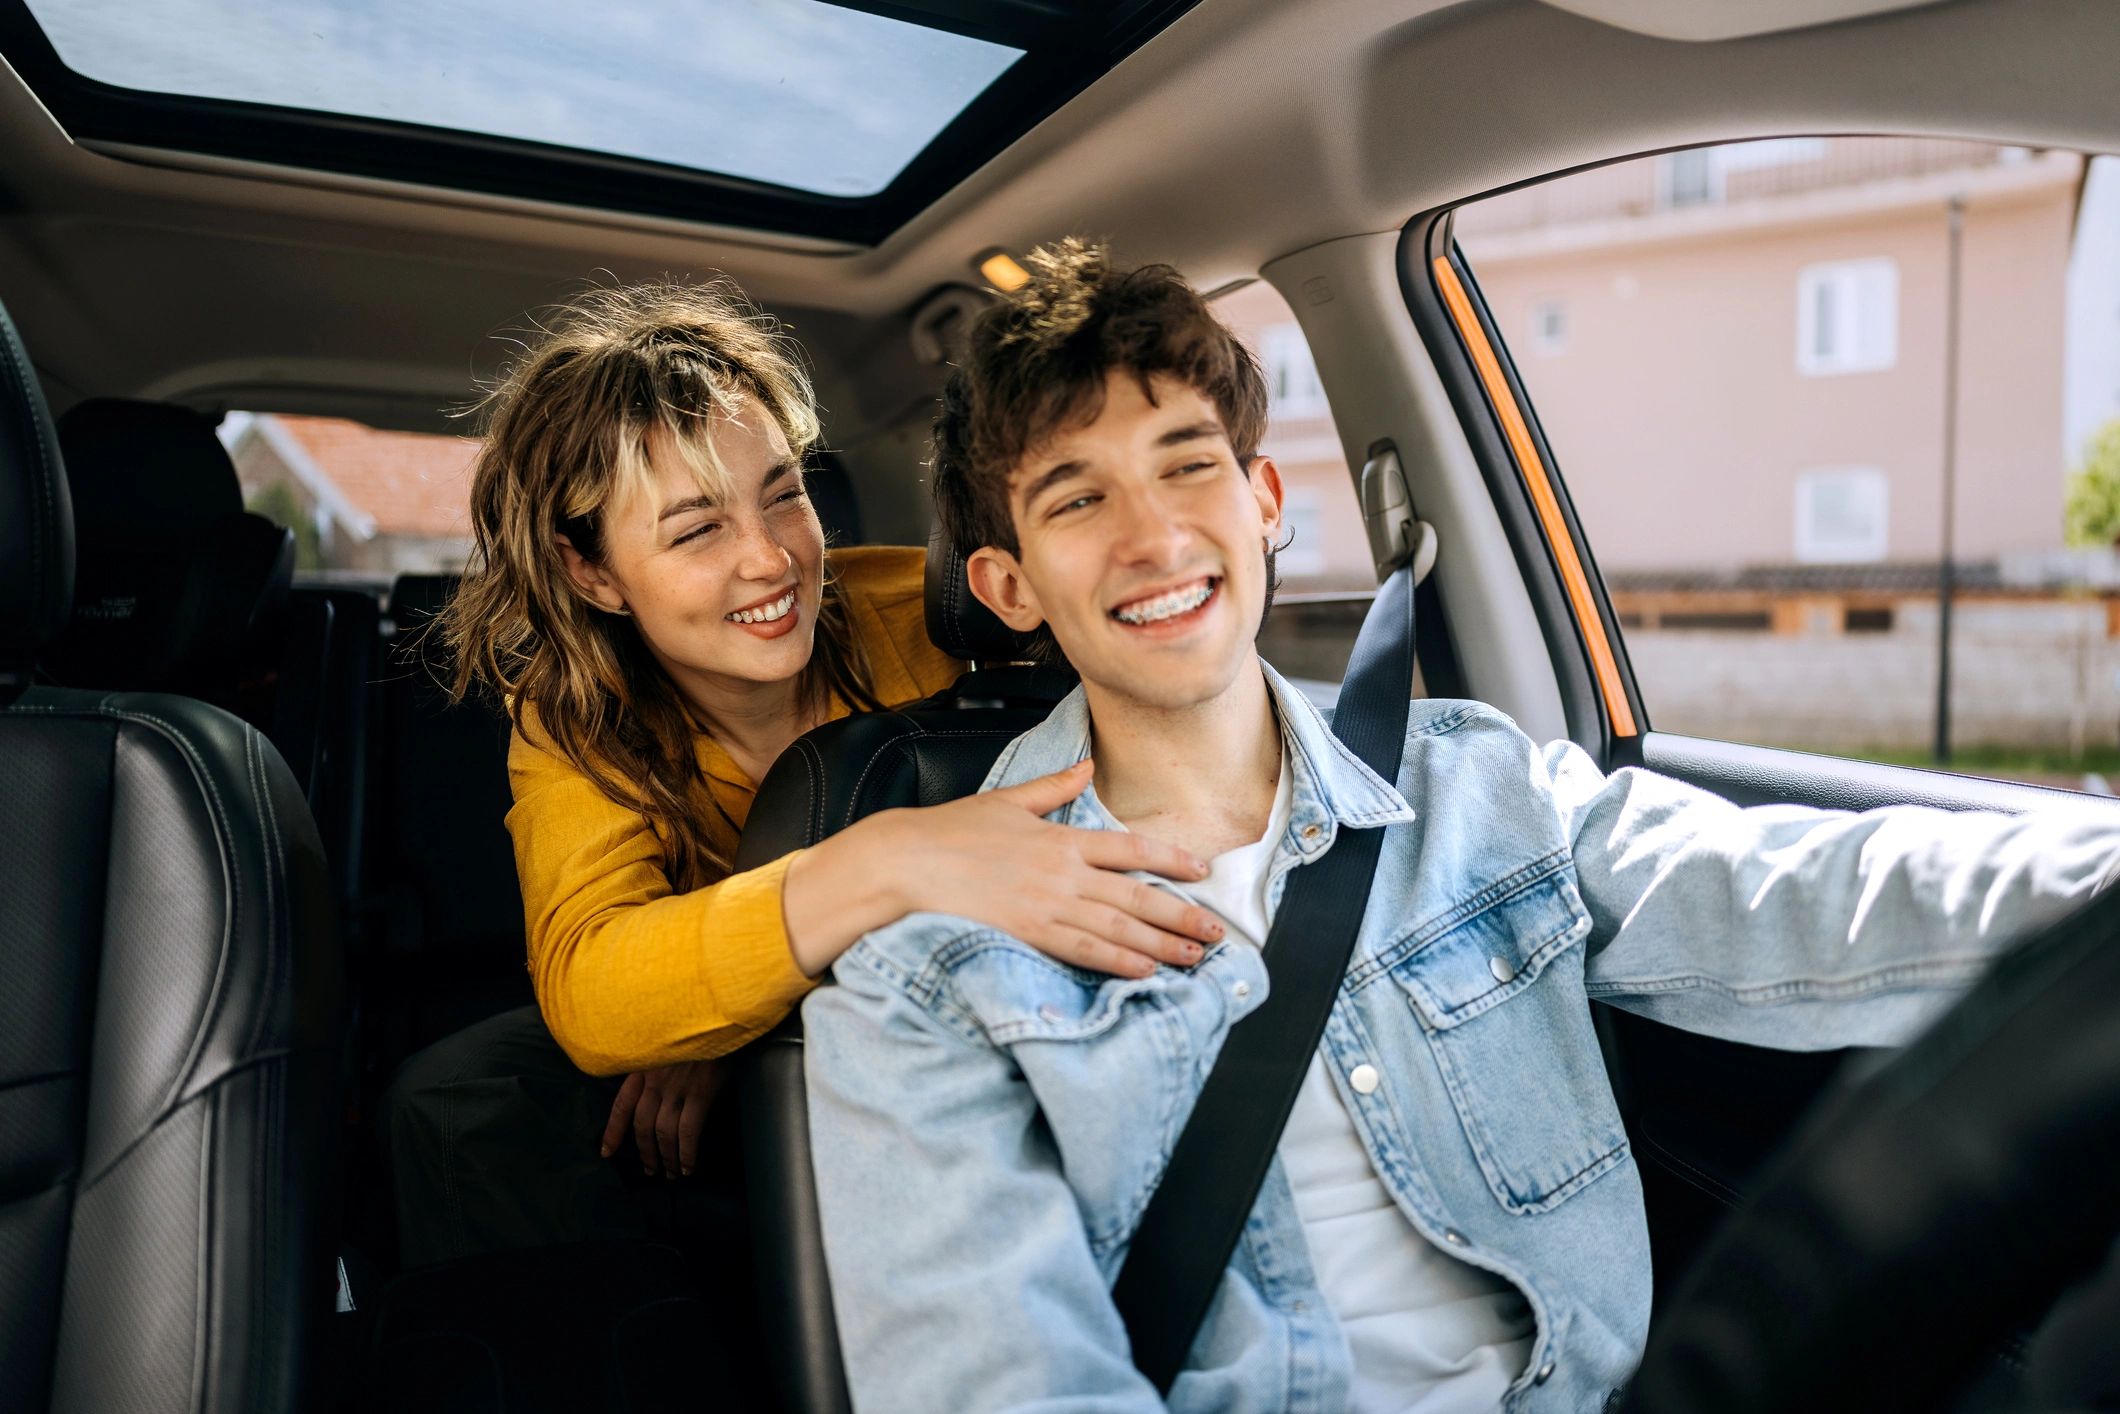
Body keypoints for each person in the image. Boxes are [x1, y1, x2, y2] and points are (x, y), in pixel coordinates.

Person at [800, 240, 2120, 1413]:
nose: (1152, 534)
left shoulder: (1483, 786)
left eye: (1185, 464)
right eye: (1078, 497)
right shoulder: (922, 962)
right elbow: (999, 1382)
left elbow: (1806, 888)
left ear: (1264, 501)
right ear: (1009, 583)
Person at [383, 279, 1231, 1269]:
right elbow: (593, 991)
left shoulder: (932, 618)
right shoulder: (573, 718)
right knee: (453, 1101)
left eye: (784, 493)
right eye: (696, 528)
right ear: (593, 573)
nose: (770, 559)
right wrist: (747, 1003)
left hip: (950, 1004)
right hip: (744, 1003)